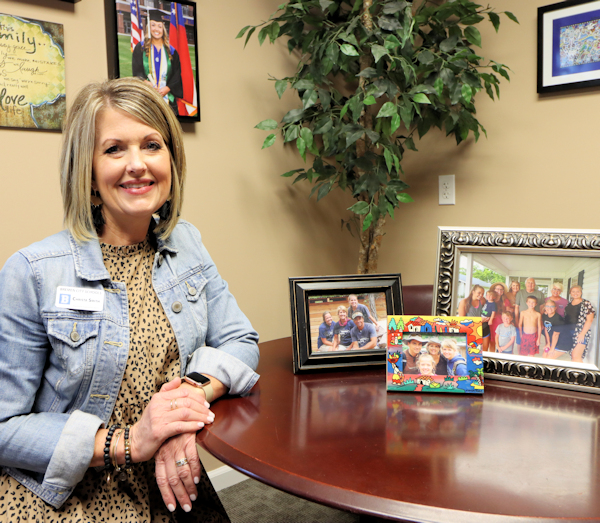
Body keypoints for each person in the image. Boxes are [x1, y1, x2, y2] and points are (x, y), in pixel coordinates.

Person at [0, 78, 260, 522]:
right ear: (88, 170)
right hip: (64, 495)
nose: (137, 164)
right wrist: (131, 441)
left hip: (170, 481)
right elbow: (4, 428)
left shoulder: (188, 244)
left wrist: (185, 406)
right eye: (115, 149)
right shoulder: (33, 271)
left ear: (172, 161)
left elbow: (241, 340)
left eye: (151, 145)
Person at [132, 9, 183, 115]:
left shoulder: (171, 51)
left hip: (167, 98)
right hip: (148, 96)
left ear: (163, 29)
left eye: (160, 26)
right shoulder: (141, 48)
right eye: (153, 25)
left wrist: (167, 88)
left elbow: (177, 73)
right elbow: (136, 70)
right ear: (148, 27)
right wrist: (146, 83)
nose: (157, 29)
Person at [564, 285, 596, 363]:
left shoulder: (586, 303)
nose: (575, 293)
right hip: (569, 332)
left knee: (576, 356)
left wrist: (582, 334)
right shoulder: (569, 304)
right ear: (570, 293)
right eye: (573, 291)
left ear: (581, 292)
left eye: (578, 291)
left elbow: (590, 320)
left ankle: (581, 374)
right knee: (572, 355)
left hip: (581, 332)